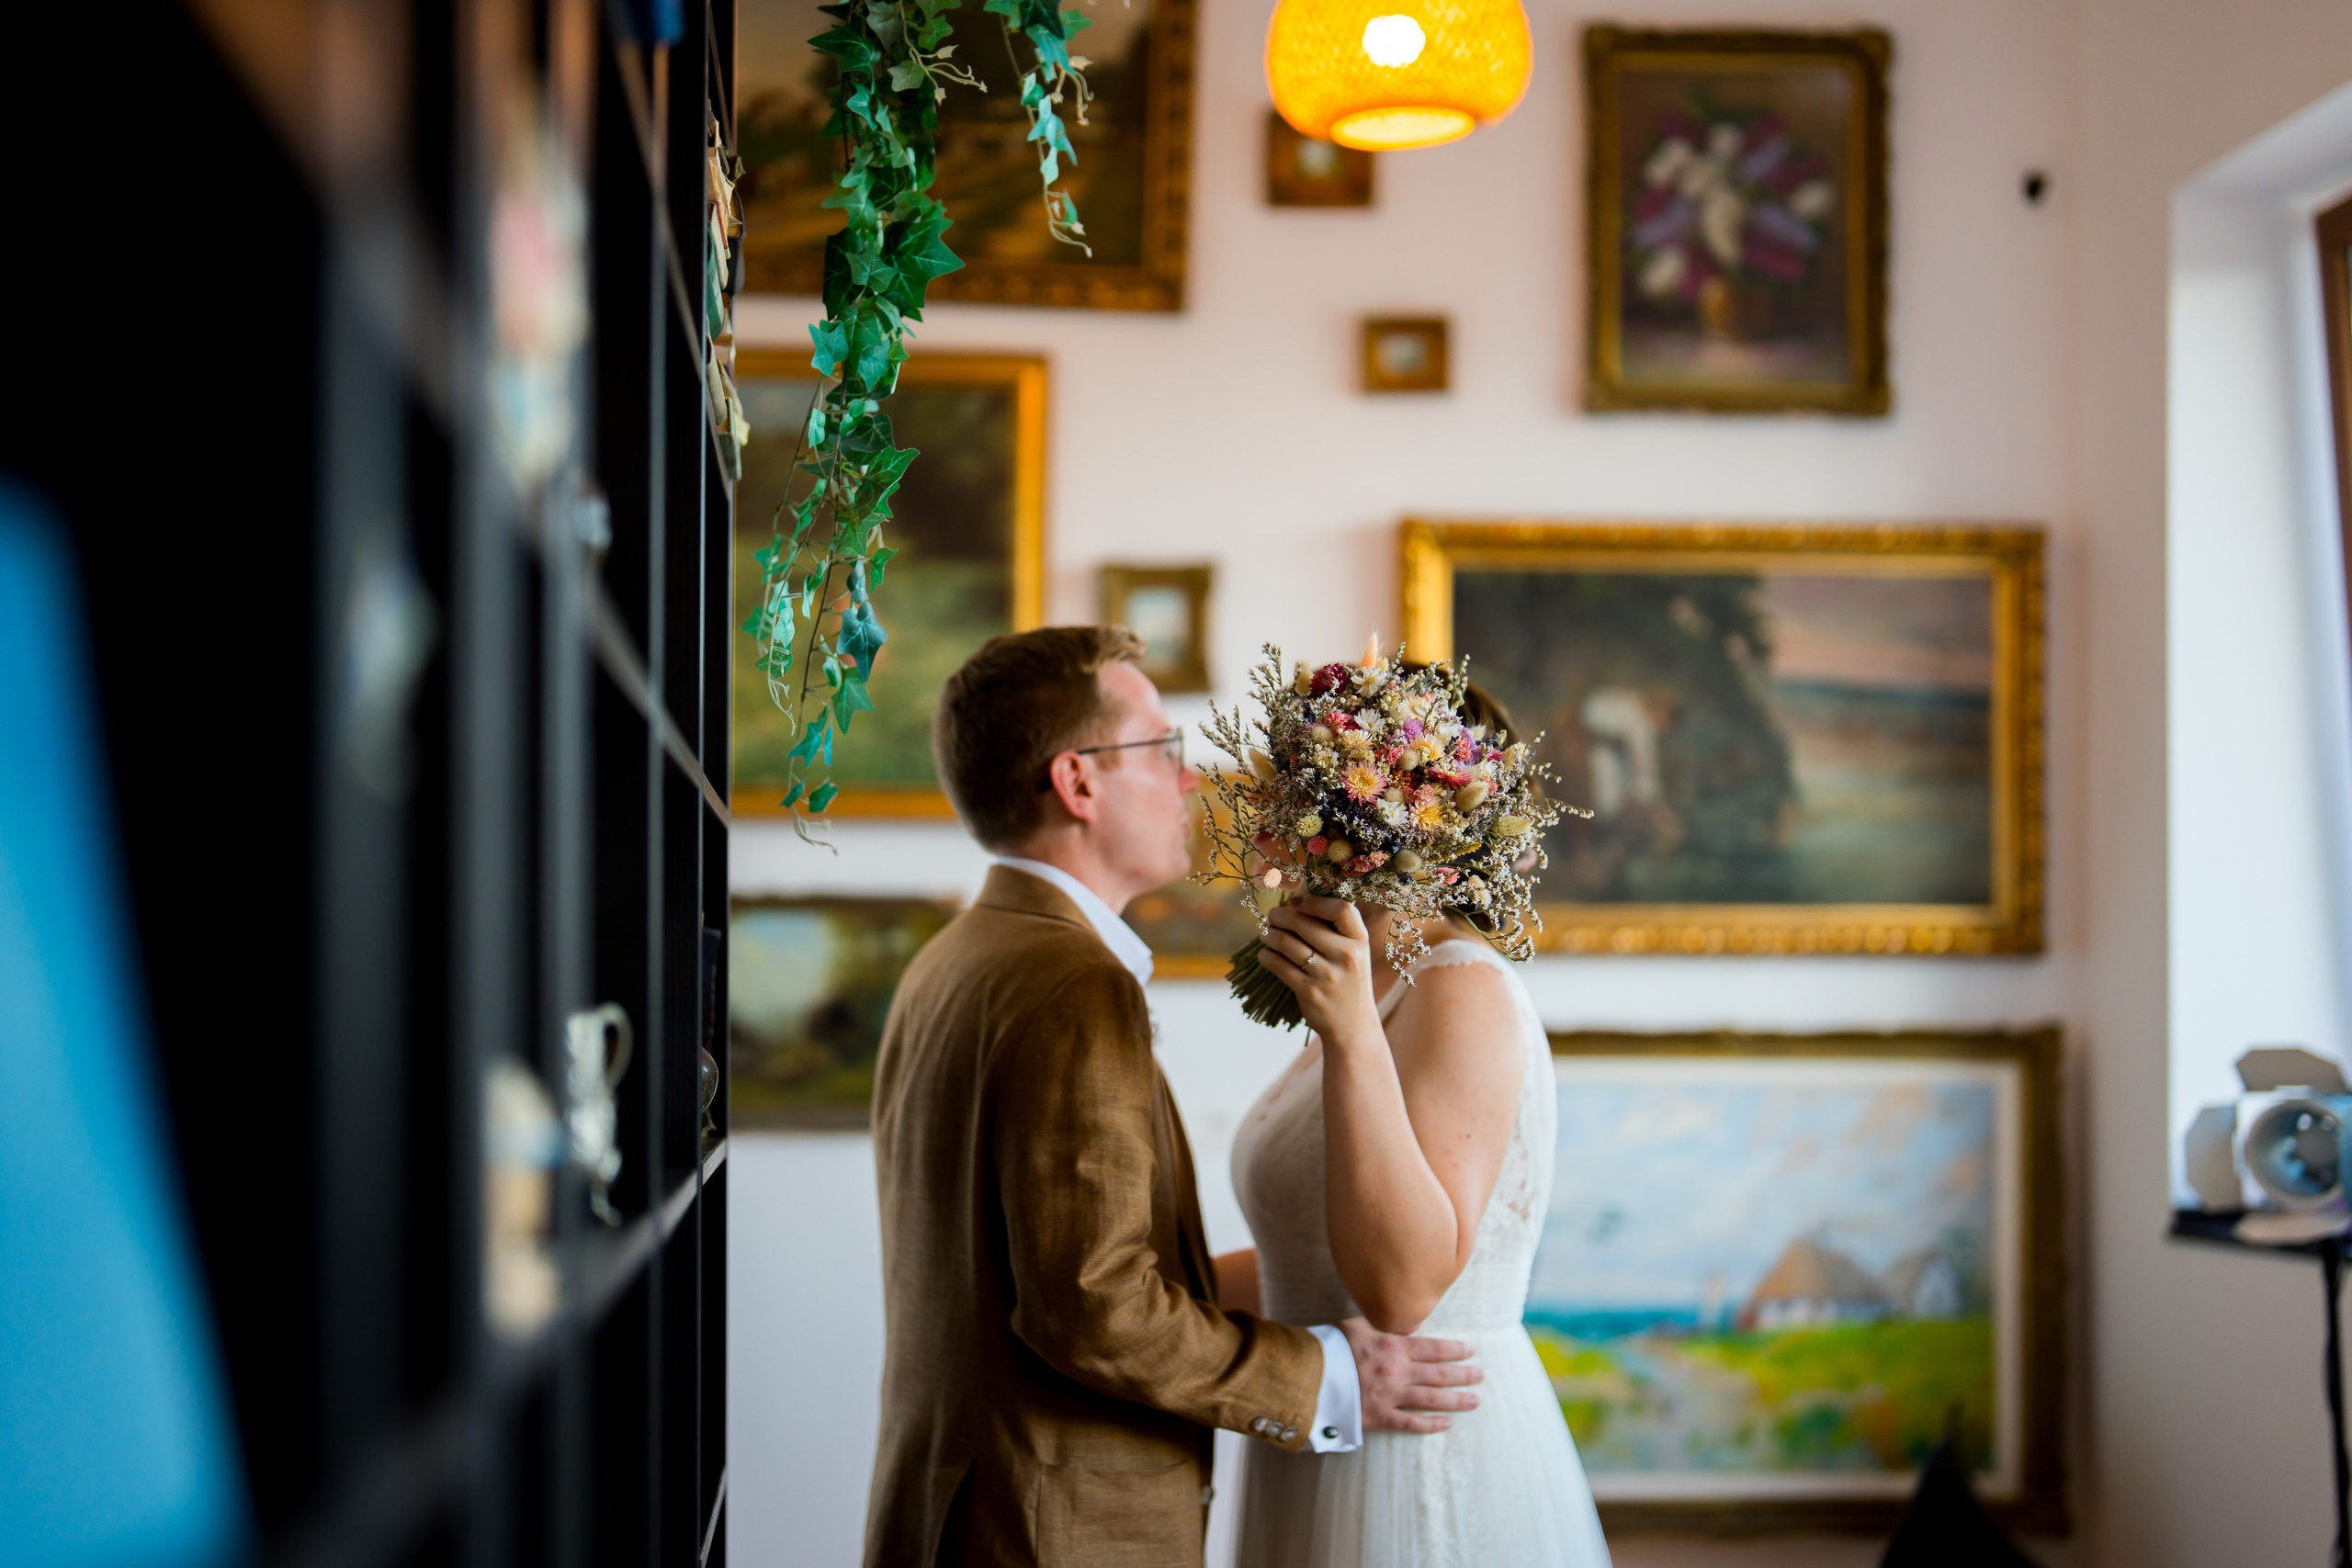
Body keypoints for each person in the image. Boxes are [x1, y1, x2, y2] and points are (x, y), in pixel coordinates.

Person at [863, 626, 1483, 1567]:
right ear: (1078, 783)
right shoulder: (1073, 982)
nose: (1190, 780)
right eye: (1161, 750)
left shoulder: (959, 954)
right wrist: (1322, 1377)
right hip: (1050, 1530)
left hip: (961, 1507)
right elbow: (1092, 1306)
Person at [1225, 678, 1612, 1568]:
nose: (1259, 815)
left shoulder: (1458, 988)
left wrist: (1352, 1031)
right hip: (1326, 1419)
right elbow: (1305, 1253)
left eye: (1291, 784)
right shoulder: (1376, 983)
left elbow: (1402, 1293)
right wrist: (1121, 1298)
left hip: (1415, 1455)